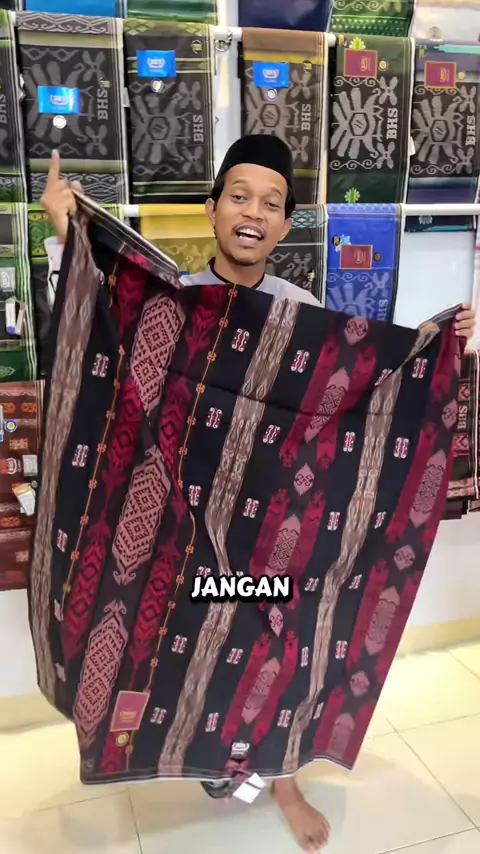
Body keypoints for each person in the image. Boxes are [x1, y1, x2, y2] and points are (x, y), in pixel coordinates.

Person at [41, 136, 476, 853]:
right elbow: (105, 339)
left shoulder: (301, 311)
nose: (253, 213)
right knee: (188, 643)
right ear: (212, 209)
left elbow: (362, 391)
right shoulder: (176, 301)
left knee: (281, 646)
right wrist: (67, 233)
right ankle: (208, 756)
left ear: (284, 225)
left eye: (271, 204)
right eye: (239, 197)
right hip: (186, 532)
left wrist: (444, 343)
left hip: (271, 538)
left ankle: (283, 780)